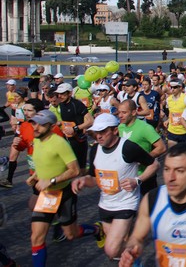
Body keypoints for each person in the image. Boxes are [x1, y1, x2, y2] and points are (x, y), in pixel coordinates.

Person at [71, 113, 159, 260]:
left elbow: (154, 165)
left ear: (115, 130)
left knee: (111, 250)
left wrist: (137, 180)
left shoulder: (128, 147)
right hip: (105, 204)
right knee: (120, 250)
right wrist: (83, 181)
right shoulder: (95, 150)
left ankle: (134, 254)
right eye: (96, 132)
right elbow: (94, 179)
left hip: (126, 204)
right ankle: (134, 260)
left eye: (103, 132)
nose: (99, 136)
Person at [27, 110, 100, 267]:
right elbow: (45, 163)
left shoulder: (60, 143)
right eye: (34, 123)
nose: (36, 127)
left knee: (71, 234)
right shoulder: (38, 140)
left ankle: (96, 230)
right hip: (47, 196)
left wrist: (51, 181)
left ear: (52, 126)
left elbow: (74, 171)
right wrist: (36, 176)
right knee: (36, 237)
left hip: (64, 194)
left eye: (41, 124)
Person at [117, 100, 166, 195]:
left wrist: (144, 158)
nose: (120, 115)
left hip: (145, 175)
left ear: (133, 112)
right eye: (119, 112)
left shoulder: (145, 128)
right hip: (127, 176)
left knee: (149, 206)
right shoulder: (120, 127)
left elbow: (162, 147)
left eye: (124, 112)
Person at [55, 83, 94, 172]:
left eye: (62, 93)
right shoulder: (61, 105)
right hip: (67, 138)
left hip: (79, 140)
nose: (60, 96)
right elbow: (67, 121)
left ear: (69, 93)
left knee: (80, 168)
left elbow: (90, 121)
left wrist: (75, 128)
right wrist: (59, 123)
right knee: (68, 166)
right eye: (59, 94)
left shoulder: (77, 104)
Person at [164, 79, 186, 148]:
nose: (172, 89)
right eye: (171, 87)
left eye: (175, 87)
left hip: (183, 131)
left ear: (180, 87)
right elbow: (171, 113)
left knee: (184, 154)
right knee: (172, 153)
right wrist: (168, 120)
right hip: (172, 131)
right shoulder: (168, 99)